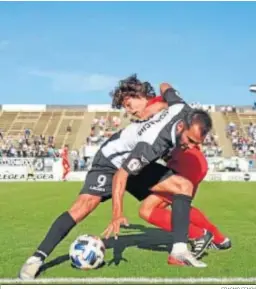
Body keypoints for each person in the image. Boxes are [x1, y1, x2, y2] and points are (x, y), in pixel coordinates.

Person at [19, 76, 212, 280]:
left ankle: (179, 252)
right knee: (84, 206)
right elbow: (121, 175)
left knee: (183, 185)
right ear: (181, 127)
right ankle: (36, 259)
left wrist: (161, 102)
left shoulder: (183, 109)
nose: (192, 147)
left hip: (133, 162)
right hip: (111, 161)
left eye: (197, 143)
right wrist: (117, 213)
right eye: (190, 141)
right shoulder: (152, 143)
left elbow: (165, 85)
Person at [110, 79, 231, 255]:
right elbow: (166, 88)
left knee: (147, 210)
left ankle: (200, 236)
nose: (129, 111)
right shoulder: (152, 116)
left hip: (186, 162)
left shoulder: (158, 106)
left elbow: (164, 85)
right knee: (180, 207)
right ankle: (219, 239)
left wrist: (160, 105)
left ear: (140, 95)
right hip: (192, 163)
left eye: (129, 104)